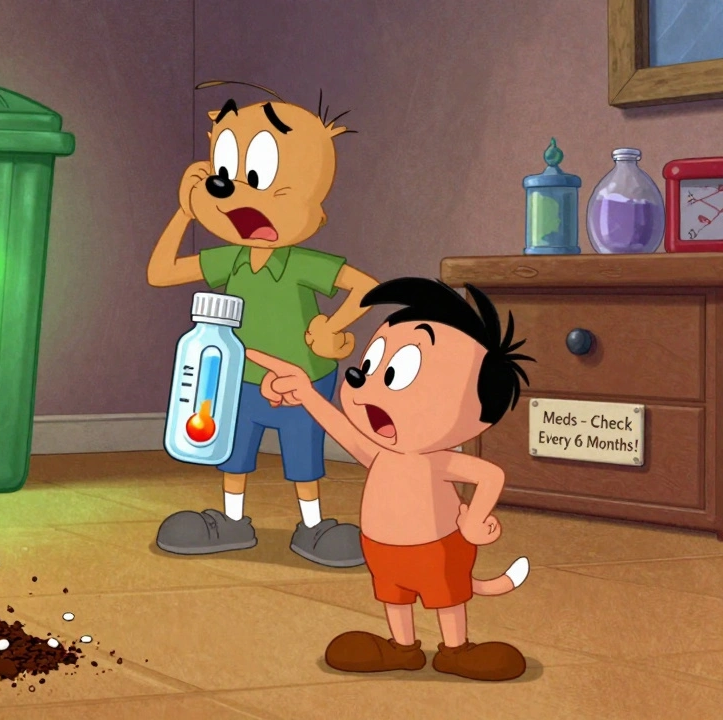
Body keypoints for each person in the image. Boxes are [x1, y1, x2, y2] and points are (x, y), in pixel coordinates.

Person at [247, 277, 534, 681]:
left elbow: (489, 475)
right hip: (383, 548)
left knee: (447, 596)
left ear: (479, 409)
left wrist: (473, 520)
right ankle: (403, 647)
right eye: (370, 366)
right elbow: (347, 433)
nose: (366, 383)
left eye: (400, 374)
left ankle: (456, 648)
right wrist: (307, 394)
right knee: (393, 596)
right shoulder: (384, 454)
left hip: (437, 545)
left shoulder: (436, 460)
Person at [147, 82, 376, 567]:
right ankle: (233, 521)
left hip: (302, 380)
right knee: (234, 453)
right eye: (227, 172)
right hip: (240, 378)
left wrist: (330, 326)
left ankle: (313, 527)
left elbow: (367, 287)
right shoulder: (229, 258)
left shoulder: (302, 263)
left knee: (303, 457)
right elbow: (161, 272)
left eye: (258, 173)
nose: (235, 190)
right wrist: (183, 212)